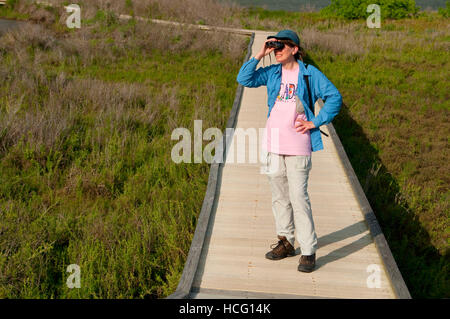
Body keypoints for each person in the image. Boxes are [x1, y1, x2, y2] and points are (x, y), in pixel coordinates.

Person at [236, 30, 342, 273]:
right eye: (275, 46)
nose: (278, 49)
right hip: (272, 145)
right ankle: (286, 242)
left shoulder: (309, 73)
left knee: (298, 197)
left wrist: (315, 122)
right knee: (279, 197)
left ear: (295, 49)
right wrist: (260, 53)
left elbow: (334, 97)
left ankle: (308, 250)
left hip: (298, 146)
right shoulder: (273, 71)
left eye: (283, 45)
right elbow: (244, 79)